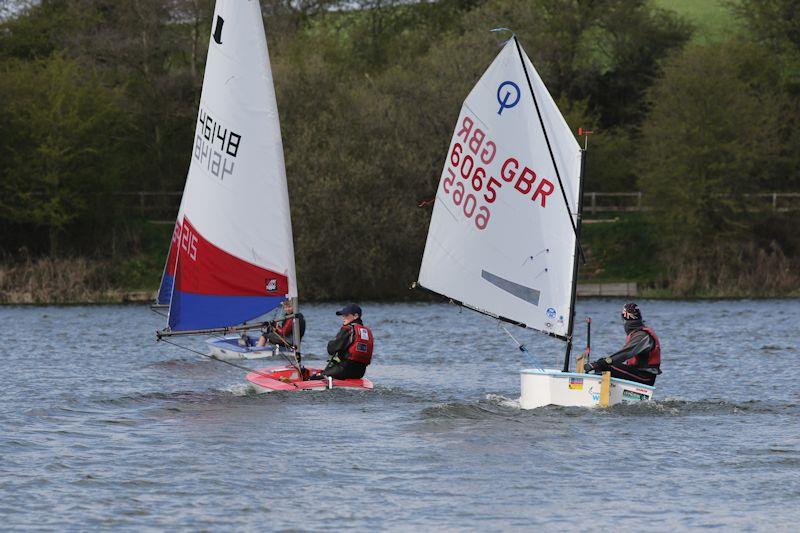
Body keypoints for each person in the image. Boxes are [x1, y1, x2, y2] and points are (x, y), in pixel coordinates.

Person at [583, 302, 661, 386]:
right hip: (637, 374)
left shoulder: (642, 336)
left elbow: (625, 354)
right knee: (602, 364)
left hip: (644, 378)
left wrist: (601, 363)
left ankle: (595, 392)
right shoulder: (638, 333)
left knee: (604, 366)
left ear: (625, 320)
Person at [309, 303, 373, 380]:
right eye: (342, 315)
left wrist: (330, 343)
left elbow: (332, 349)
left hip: (344, 370)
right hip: (360, 373)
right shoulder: (367, 331)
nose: (343, 317)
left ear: (356, 316)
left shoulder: (348, 329)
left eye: (346, 315)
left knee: (314, 378)